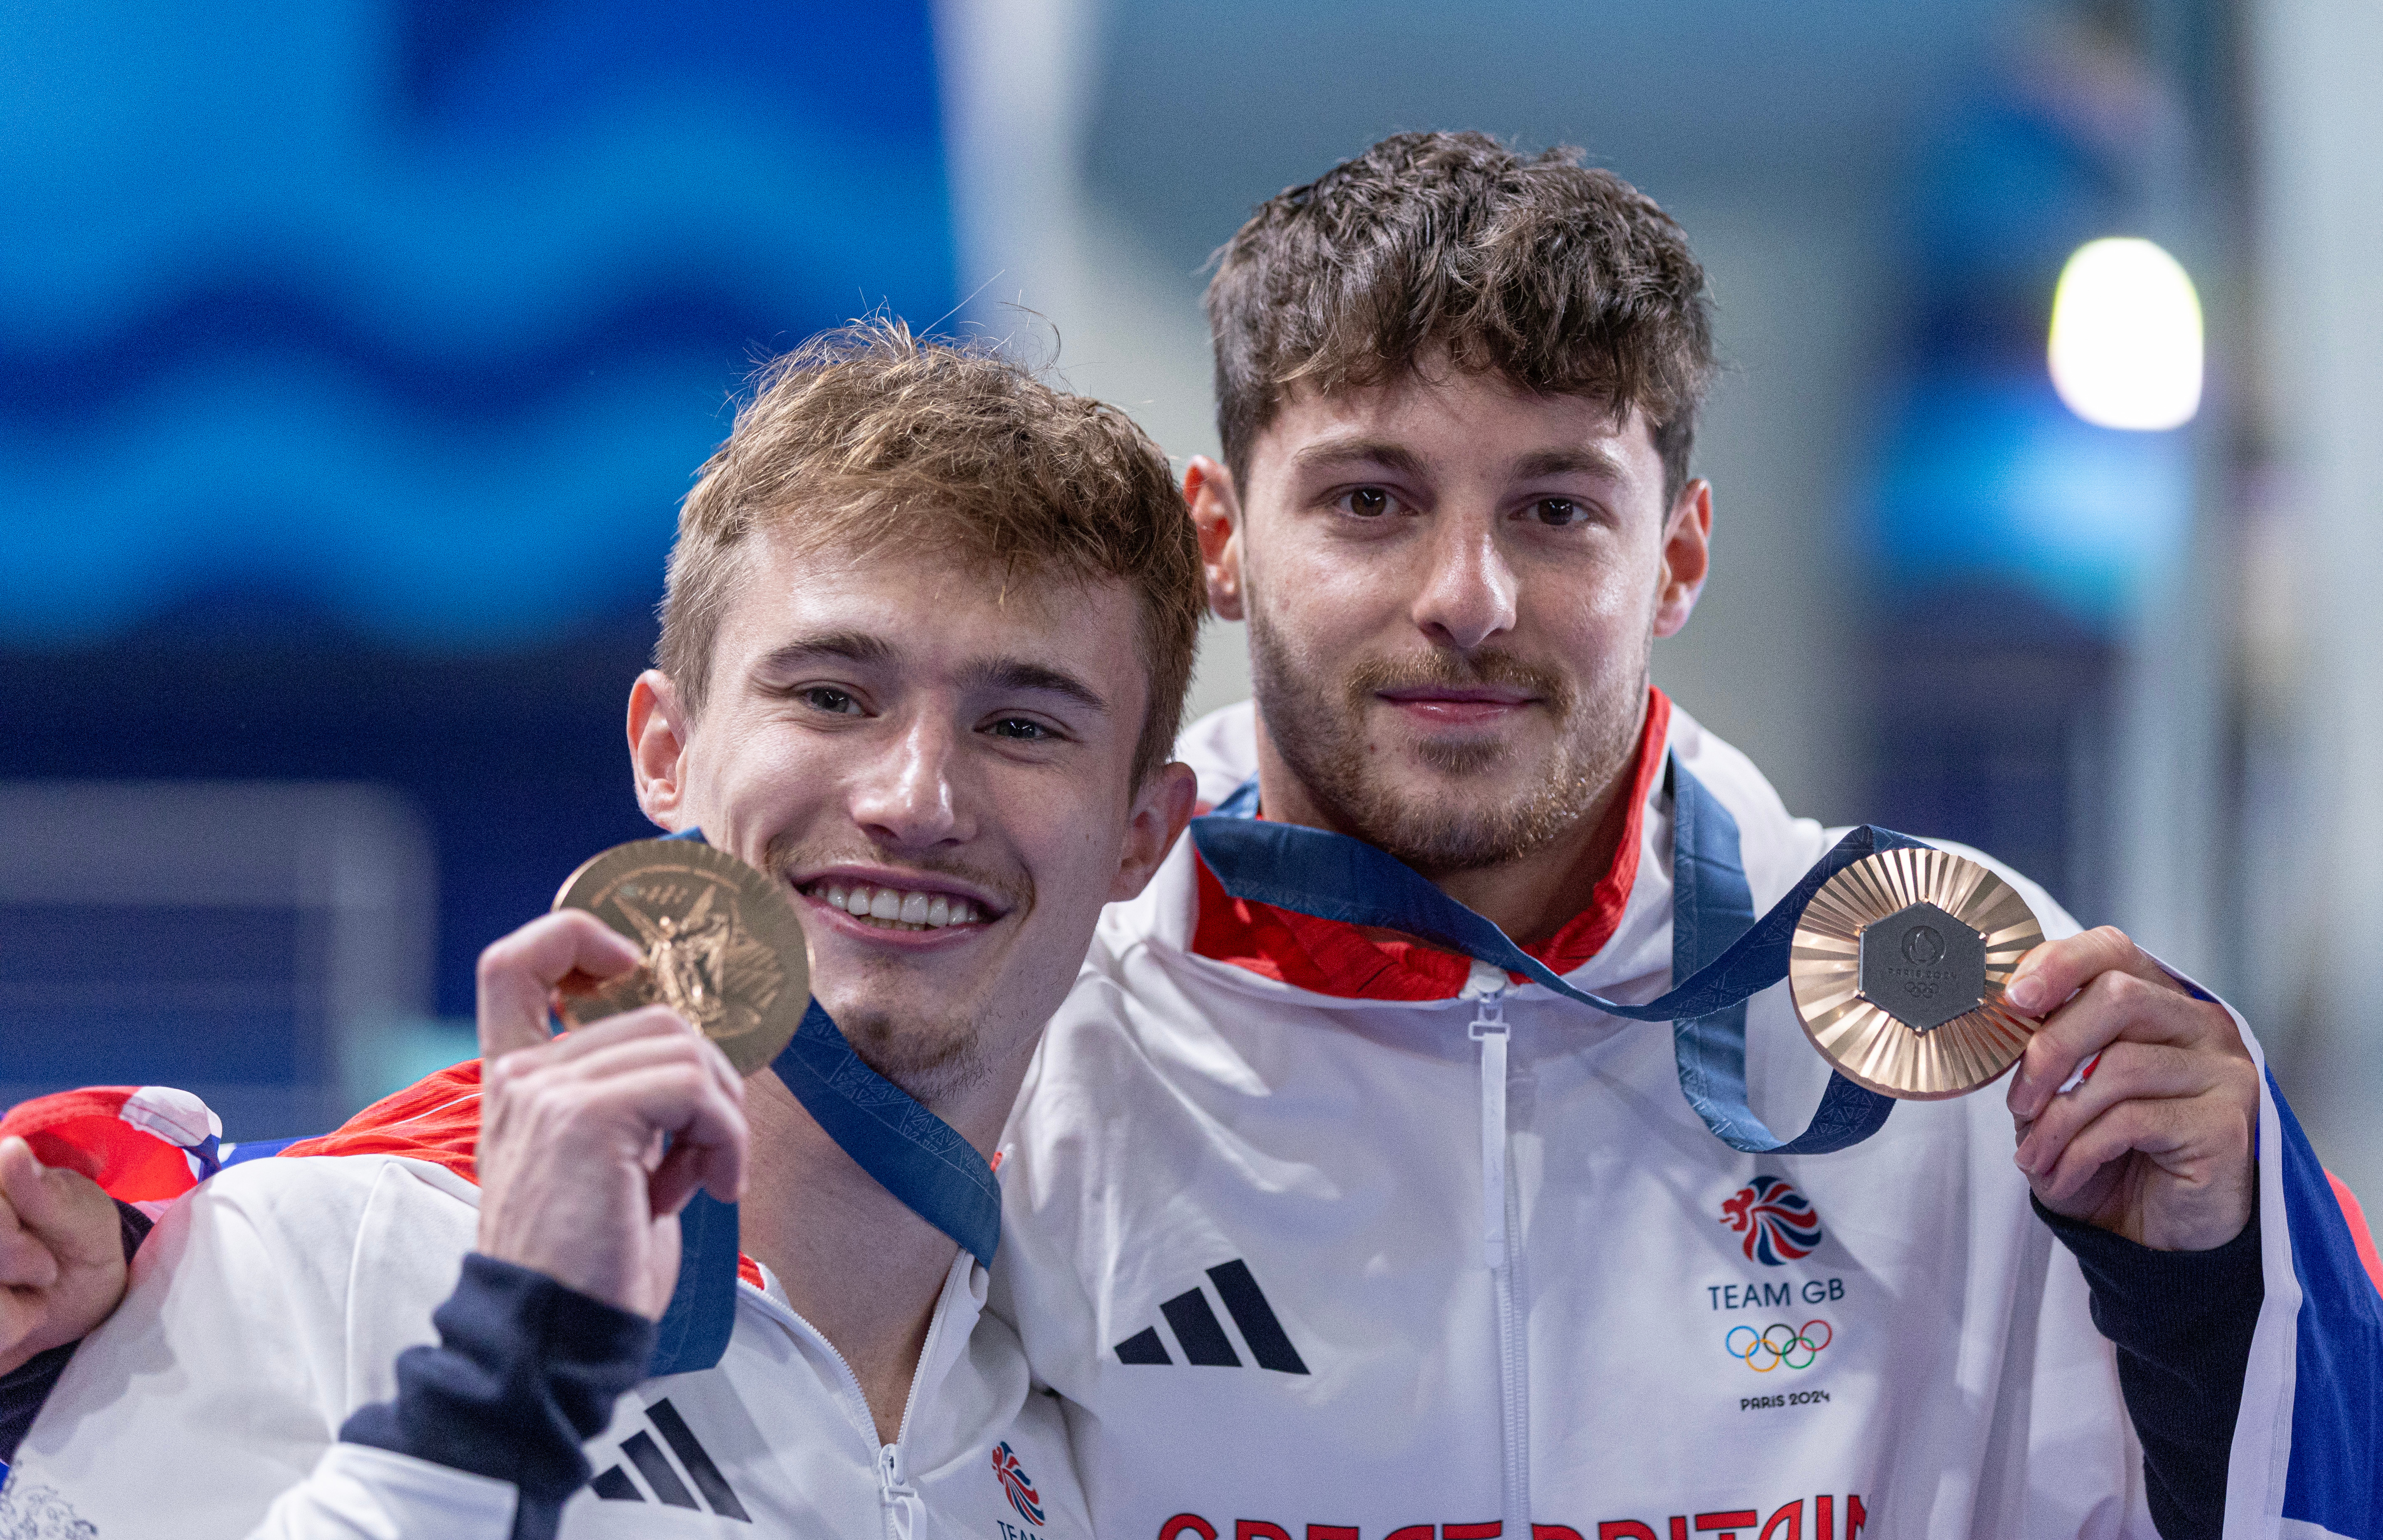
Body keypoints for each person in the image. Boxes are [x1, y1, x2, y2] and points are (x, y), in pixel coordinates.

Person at [989, 132, 2382, 1540]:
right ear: (1220, 540)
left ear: (1676, 559)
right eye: (1370, 501)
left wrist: (2211, 1298)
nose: (1468, 599)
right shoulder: (1034, 1020)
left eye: (1555, 510)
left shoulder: (1965, 1019)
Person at [0, 319, 1204, 1537]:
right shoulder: (324, 1262)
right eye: (832, 697)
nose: (916, 801)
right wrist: (496, 1386)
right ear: (664, 754)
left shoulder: (1069, 1431)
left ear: (1140, 838)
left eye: (1025, 727)